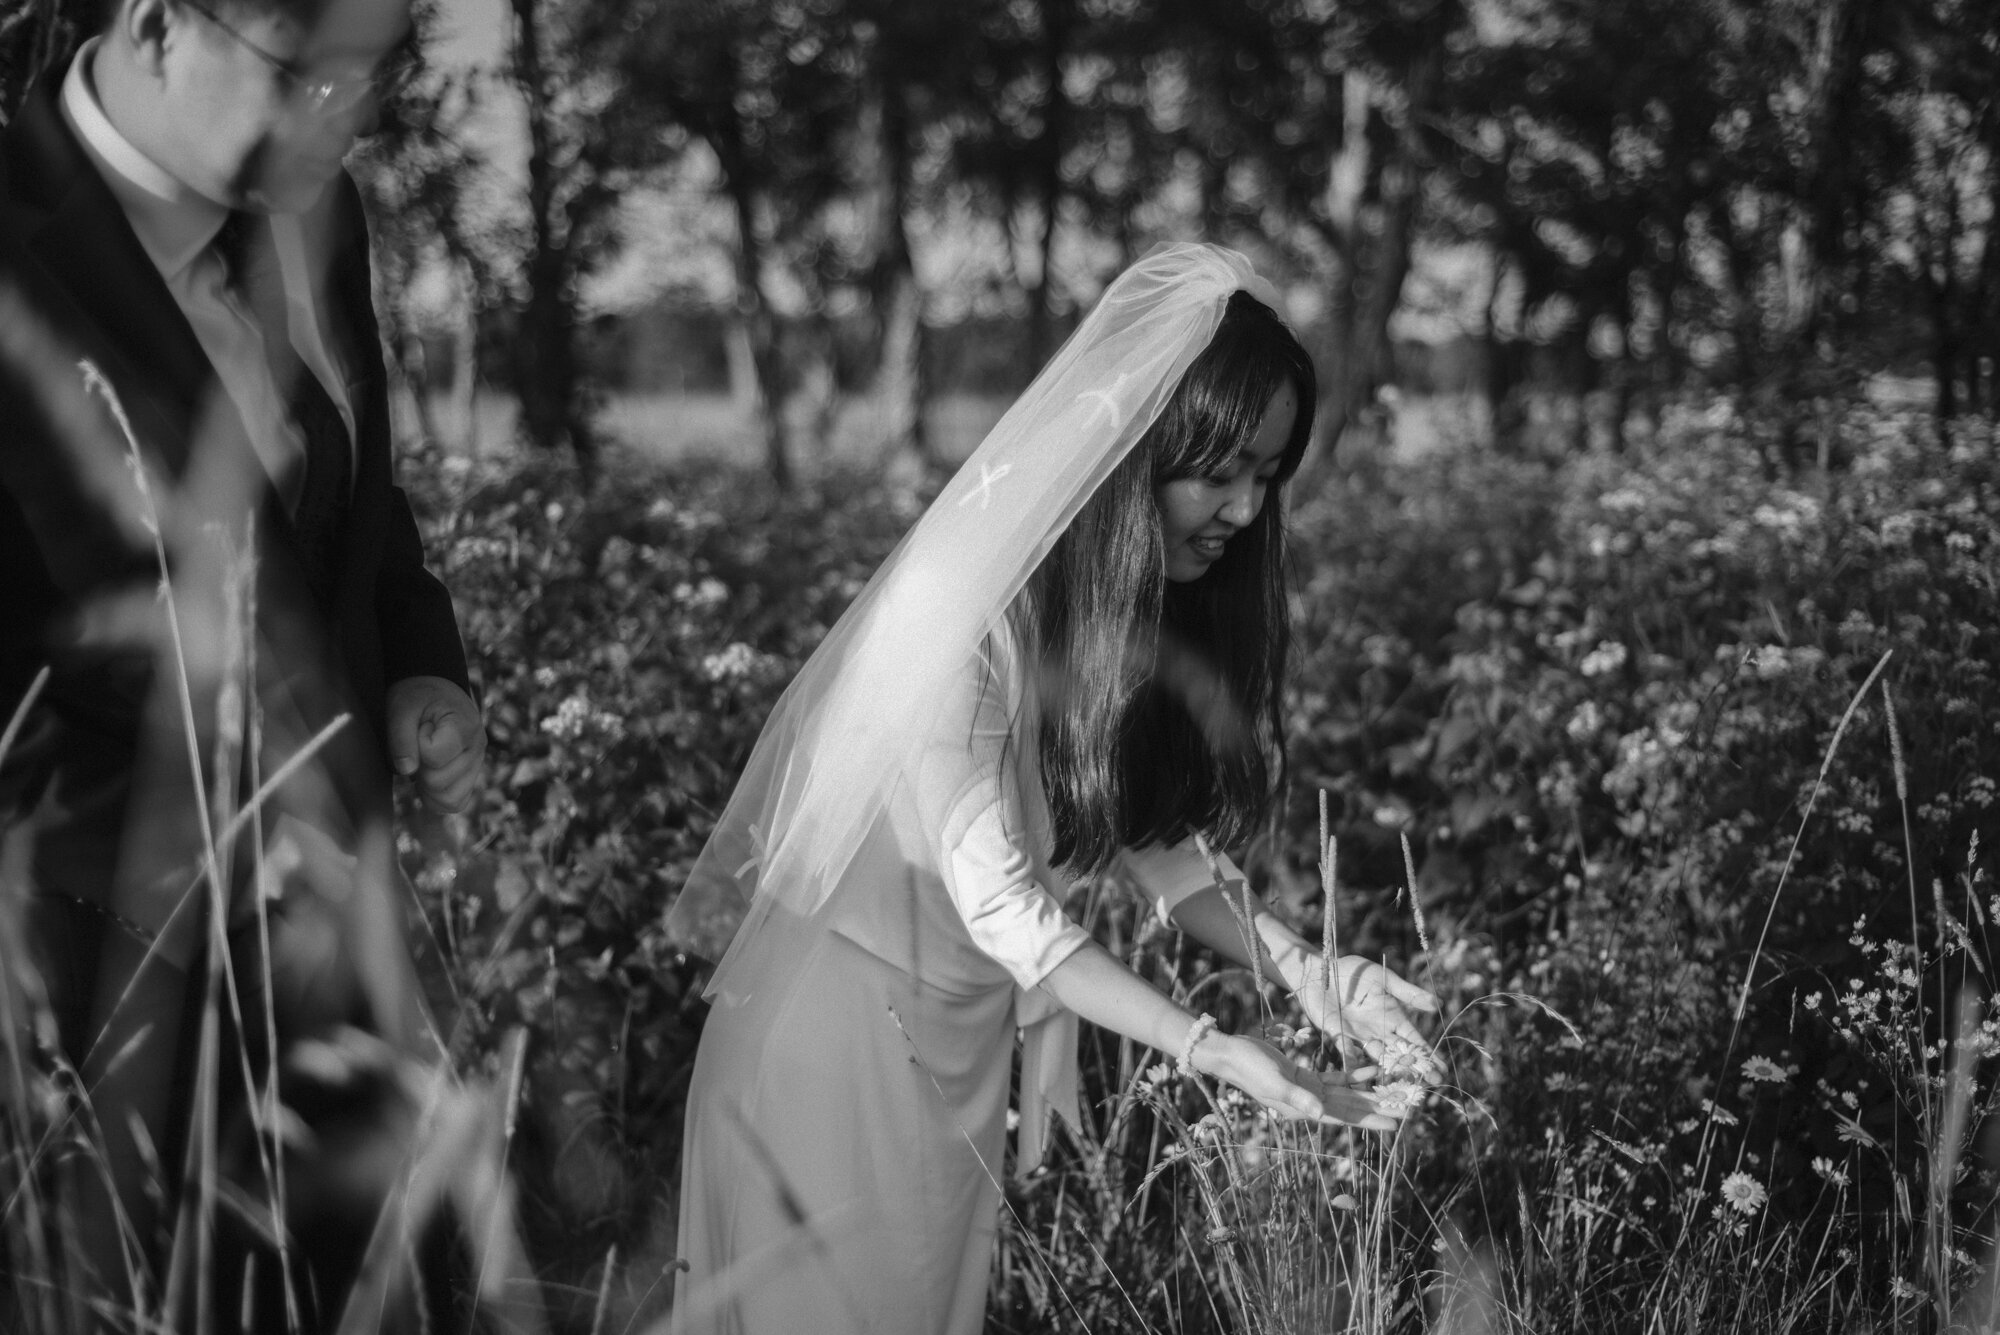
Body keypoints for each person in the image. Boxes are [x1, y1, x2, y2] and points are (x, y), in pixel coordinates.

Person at [663, 243, 1439, 1335]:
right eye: (1217, 471)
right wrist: (1209, 1049)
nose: (1243, 508)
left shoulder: (1117, 618)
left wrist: (1314, 972)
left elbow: (1155, 848)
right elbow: (1003, 907)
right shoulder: (960, 616)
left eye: (1265, 477)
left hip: (954, 1059)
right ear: (1133, 454)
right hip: (832, 1054)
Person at [0, 0, 482, 1325]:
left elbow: (358, 511)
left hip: (351, 978)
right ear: (158, 21)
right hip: (111, 1016)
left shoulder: (314, 208)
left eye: (371, 81)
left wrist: (420, 665)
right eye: (306, 79)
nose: (345, 120)